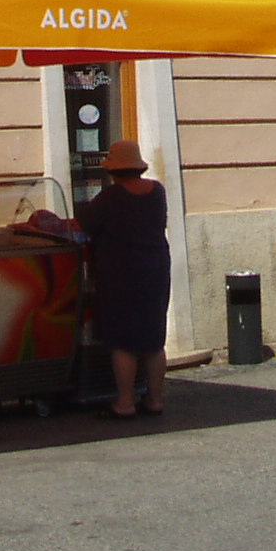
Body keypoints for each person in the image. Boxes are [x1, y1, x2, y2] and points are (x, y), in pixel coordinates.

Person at [77, 138, 171, 418]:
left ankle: (125, 402)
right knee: (154, 339)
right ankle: (155, 400)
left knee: (123, 340)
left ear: (113, 170)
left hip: (122, 272)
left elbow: (85, 225)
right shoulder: (158, 191)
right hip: (156, 268)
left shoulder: (111, 197)